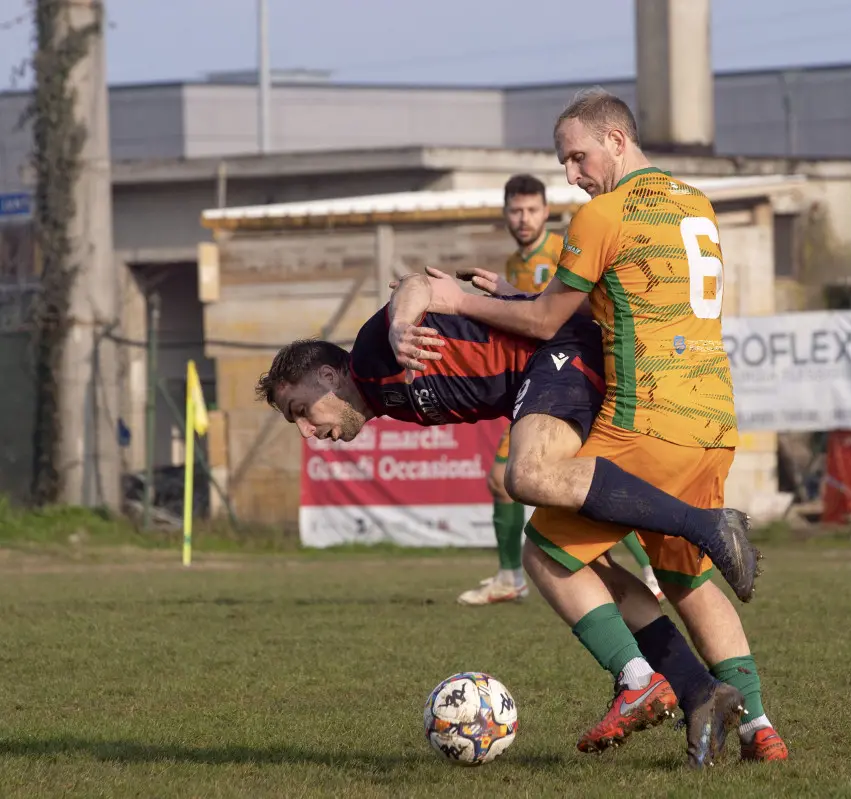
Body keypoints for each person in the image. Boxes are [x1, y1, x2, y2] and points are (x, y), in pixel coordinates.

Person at [256, 272, 765, 765]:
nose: (306, 431)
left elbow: (418, 283)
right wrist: (515, 296)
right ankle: (708, 697)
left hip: (562, 359)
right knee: (578, 561)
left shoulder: (371, 354)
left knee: (525, 475)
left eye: (301, 410)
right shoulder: (384, 397)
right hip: (565, 367)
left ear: (327, 376)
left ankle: (705, 534)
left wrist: (398, 325)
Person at [421, 88, 785, 762]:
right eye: (564, 162)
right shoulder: (696, 205)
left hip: (645, 423)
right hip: (713, 422)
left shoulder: (602, 215)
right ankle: (758, 726)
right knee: (687, 576)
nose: (572, 173)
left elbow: (543, 324)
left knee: (548, 551)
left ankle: (641, 679)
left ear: (617, 141)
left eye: (577, 156)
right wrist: (515, 295)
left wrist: (457, 299)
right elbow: (622, 295)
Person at [460, 174, 663, 607]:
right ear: (505, 214)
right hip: (539, 378)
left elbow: (567, 312)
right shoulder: (516, 263)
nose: (523, 218)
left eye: (531, 210)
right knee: (516, 483)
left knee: (570, 487)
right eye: (515, 210)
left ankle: (648, 568)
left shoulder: (563, 248)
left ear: (545, 212)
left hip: (567, 375)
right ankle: (511, 575)